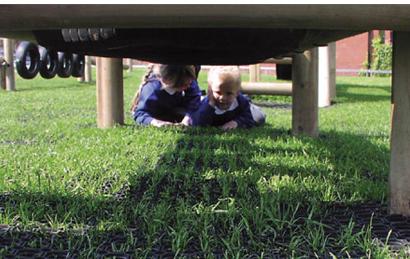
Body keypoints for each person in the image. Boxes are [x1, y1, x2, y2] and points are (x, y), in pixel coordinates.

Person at [193, 66, 266, 130]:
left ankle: (252, 106)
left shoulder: (240, 101)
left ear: (237, 92)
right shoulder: (206, 104)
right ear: (210, 90)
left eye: (229, 93)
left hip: (246, 107)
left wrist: (236, 123)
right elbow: (199, 123)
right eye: (218, 92)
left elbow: (248, 119)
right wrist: (210, 105)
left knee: (259, 117)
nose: (223, 98)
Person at [131, 64, 201, 127]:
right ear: (167, 81)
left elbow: (194, 98)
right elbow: (139, 114)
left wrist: (188, 117)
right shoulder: (151, 90)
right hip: (157, 112)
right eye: (185, 85)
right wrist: (156, 123)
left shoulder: (186, 77)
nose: (189, 86)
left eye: (190, 83)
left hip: (176, 108)